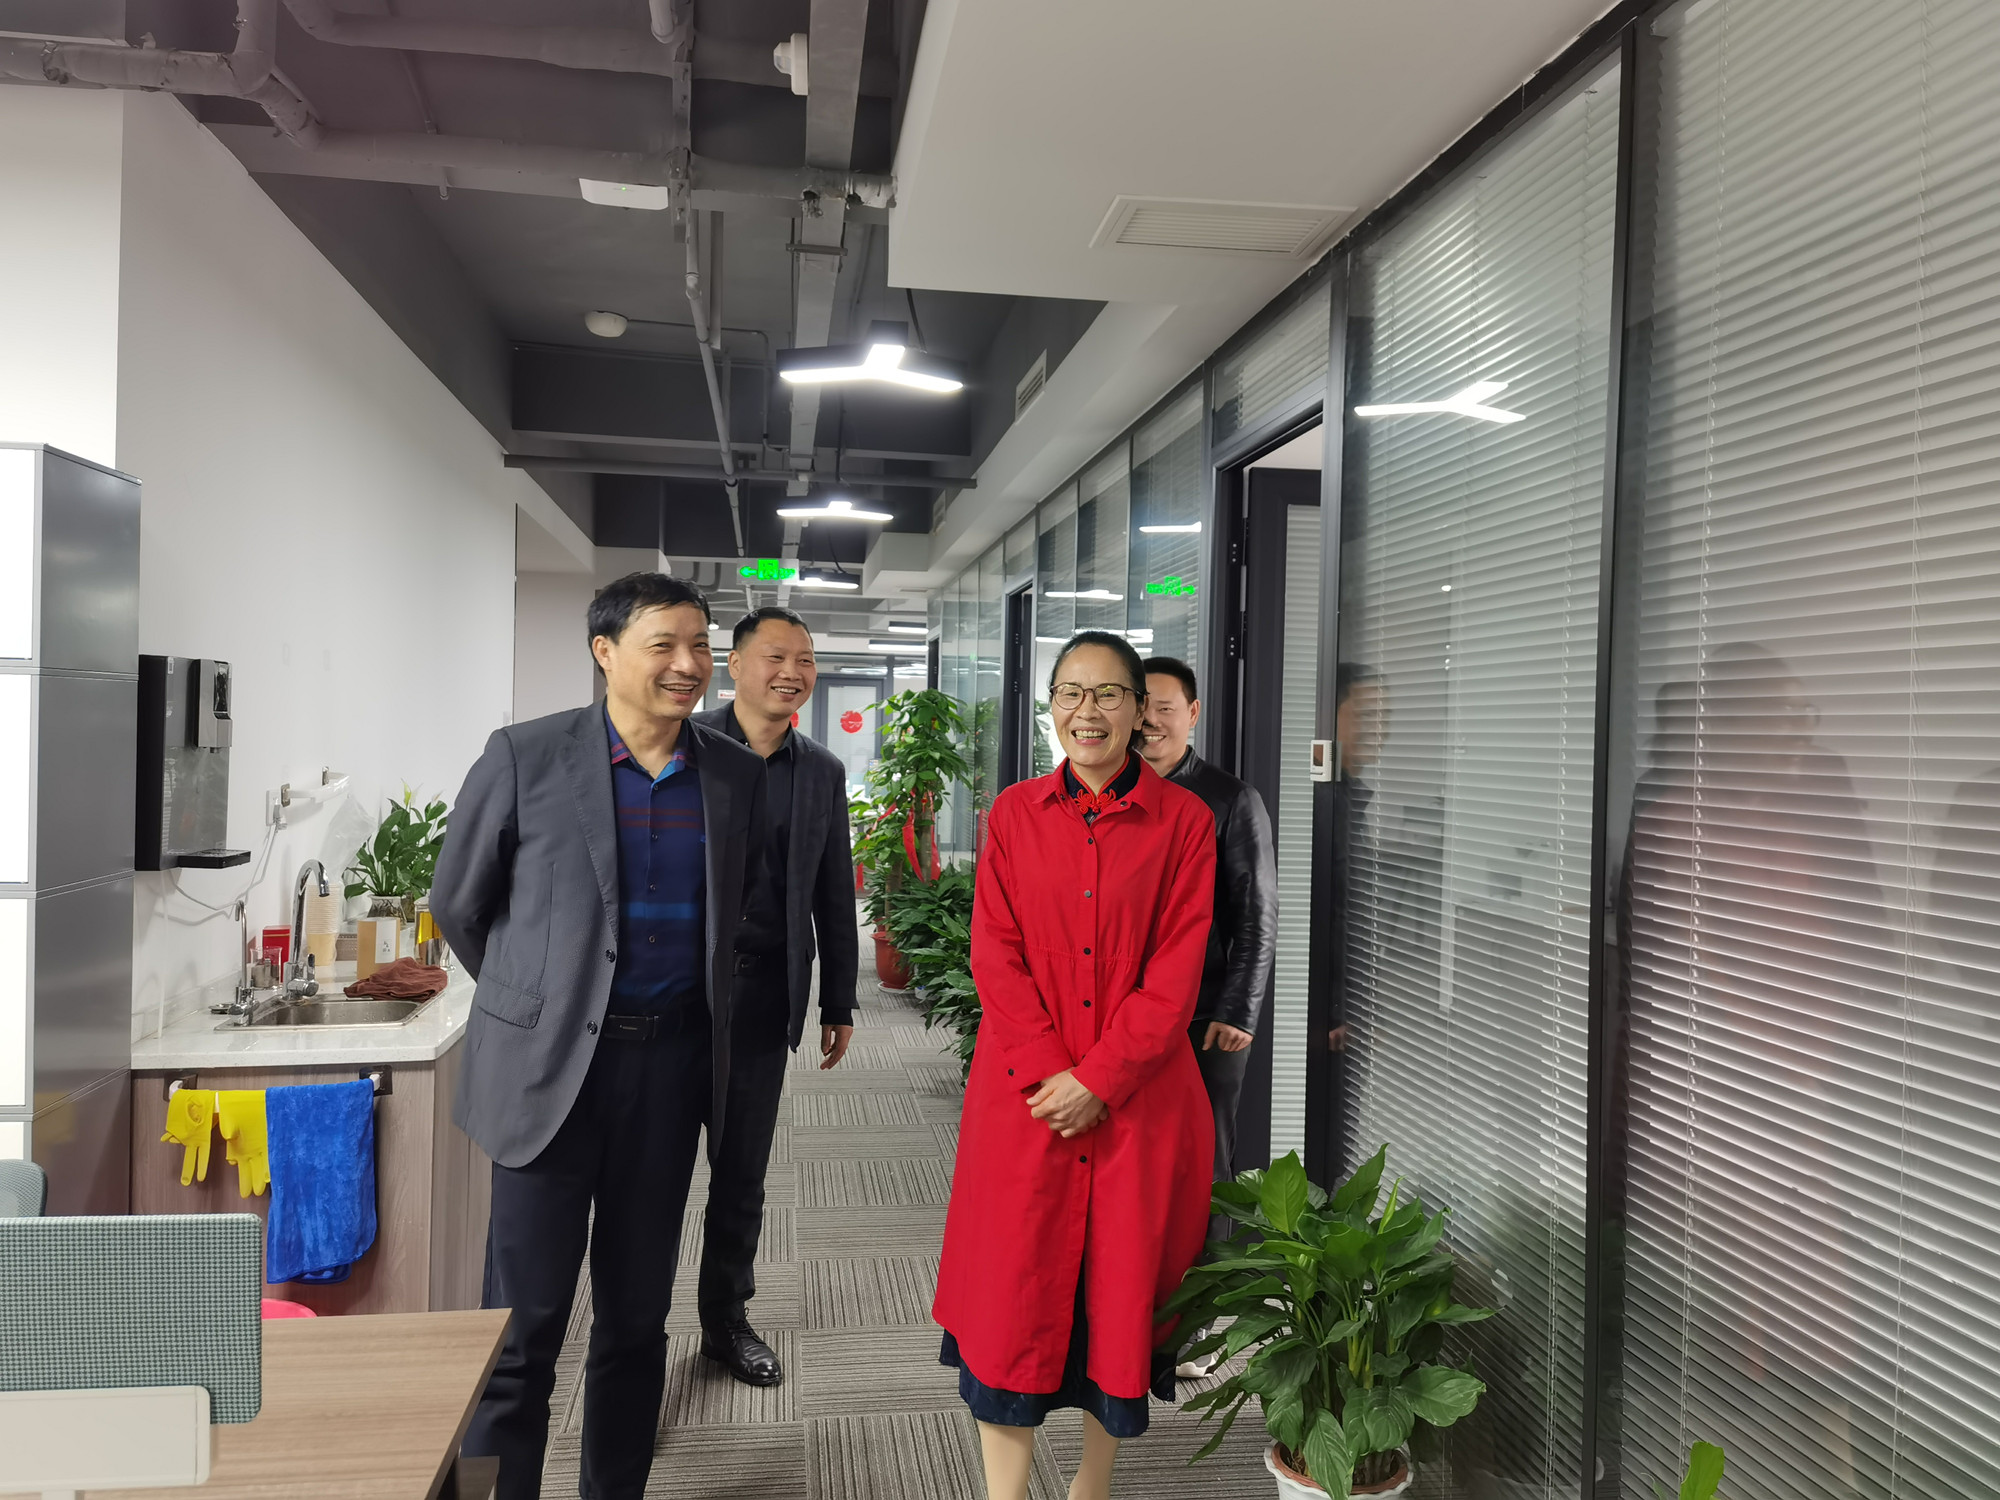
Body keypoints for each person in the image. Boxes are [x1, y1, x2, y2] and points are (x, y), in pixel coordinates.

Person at [432, 573, 768, 1500]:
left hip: (670, 1073)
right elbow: (459, 906)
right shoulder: (525, 756)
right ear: (605, 651)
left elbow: (733, 914)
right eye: (664, 644)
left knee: (634, 1321)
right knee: (523, 1326)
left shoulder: (733, 774)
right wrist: (542, 1002)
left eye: (700, 646)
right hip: (550, 1077)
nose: (688, 664)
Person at [934, 630, 1217, 1500]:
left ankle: (1091, 1486)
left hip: (1139, 1103)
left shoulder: (1186, 823)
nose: (1087, 712)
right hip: (1025, 1100)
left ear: (1141, 710)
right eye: (1070, 693)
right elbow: (995, 954)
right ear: (1051, 706)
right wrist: (1050, 1071)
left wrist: (1099, 1079)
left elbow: (1176, 971)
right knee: (1009, 1298)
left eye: (1108, 695)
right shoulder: (1013, 814)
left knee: (1119, 1301)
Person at [689, 606, 858, 1387]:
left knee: (741, 1171)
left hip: (762, 995)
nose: (792, 673)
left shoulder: (820, 770)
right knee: (650, 1172)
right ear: (734, 665)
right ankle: (629, 1326)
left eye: (806, 660)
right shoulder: (685, 746)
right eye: (776, 657)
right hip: (677, 993)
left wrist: (837, 1001)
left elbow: (833, 890)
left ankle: (725, 1319)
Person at [1135, 658, 1277, 1242]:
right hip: (1128, 1009)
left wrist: (1238, 1011)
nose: (1150, 720)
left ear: (1191, 713)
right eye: (1140, 707)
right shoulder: (1109, 791)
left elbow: (1257, 914)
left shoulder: (1231, 798)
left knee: (1203, 1158)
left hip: (1205, 1015)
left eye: (1164, 708)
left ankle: (1204, 1284)